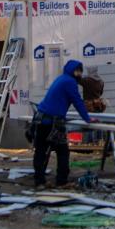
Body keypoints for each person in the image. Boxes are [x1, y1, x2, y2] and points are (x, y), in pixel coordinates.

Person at [31, 59, 92, 188]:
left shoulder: (61, 78)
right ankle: (61, 180)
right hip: (53, 122)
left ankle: (39, 181)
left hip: (41, 118)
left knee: (41, 151)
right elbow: (77, 102)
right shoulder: (70, 82)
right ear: (73, 71)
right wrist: (88, 119)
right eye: (78, 71)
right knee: (62, 151)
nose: (80, 74)